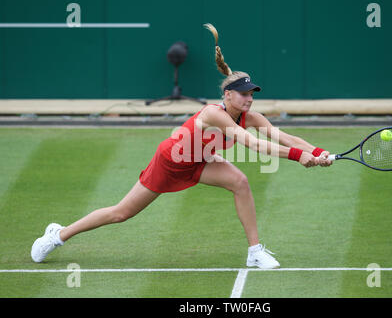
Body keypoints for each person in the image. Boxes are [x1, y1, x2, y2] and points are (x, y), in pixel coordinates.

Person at [31, 23, 332, 269]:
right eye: (243, 94)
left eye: (252, 94)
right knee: (121, 213)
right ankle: (58, 235)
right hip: (170, 163)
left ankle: (254, 251)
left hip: (200, 162)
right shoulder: (214, 114)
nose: (249, 98)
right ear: (228, 96)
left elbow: (282, 137)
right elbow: (252, 144)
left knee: (240, 182)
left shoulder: (251, 116)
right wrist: (298, 157)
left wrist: (317, 152)